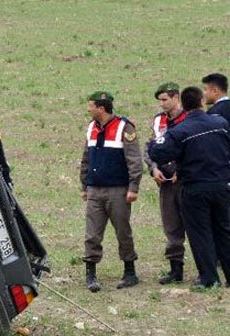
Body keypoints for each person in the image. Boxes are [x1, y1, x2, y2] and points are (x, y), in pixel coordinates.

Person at [148, 86, 230, 288]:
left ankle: (209, 279)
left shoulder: (180, 131)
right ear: (202, 102)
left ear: (183, 104)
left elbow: (157, 152)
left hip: (195, 188)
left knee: (200, 232)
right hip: (221, 185)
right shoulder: (220, 123)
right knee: (224, 230)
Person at [79, 91, 143, 292]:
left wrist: (133, 187)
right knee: (92, 233)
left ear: (101, 108)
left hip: (118, 190)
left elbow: (134, 160)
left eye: (91, 106)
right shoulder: (91, 127)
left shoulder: (125, 127)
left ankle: (130, 271)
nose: (88, 109)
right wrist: (84, 185)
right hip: (95, 190)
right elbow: (86, 158)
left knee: (123, 231)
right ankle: (91, 273)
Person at [143, 82, 187, 284]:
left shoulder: (189, 118)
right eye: (159, 100)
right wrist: (153, 168)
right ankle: (175, 269)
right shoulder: (158, 120)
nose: (161, 104)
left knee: (197, 224)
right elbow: (150, 147)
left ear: (176, 97)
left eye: (164, 100)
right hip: (166, 182)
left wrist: (182, 169)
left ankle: (209, 267)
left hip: (187, 180)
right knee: (171, 226)